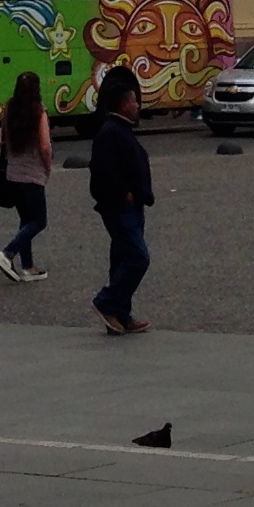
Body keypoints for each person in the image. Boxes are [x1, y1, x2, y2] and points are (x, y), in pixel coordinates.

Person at [89, 66, 155, 335]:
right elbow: (102, 171)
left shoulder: (121, 129)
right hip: (120, 207)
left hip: (131, 204)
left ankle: (121, 314)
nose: (137, 105)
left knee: (122, 258)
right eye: (133, 101)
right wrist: (123, 194)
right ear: (123, 105)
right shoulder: (111, 132)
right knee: (139, 258)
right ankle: (106, 301)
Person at [0, 70, 53, 283]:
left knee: (26, 219)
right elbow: (44, 145)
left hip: (13, 173)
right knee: (39, 221)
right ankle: (7, 254)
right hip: (32, 173)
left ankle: (28, 266)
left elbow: (2, 139)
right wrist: (47, 165)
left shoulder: (9, 108)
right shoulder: (39, 112)